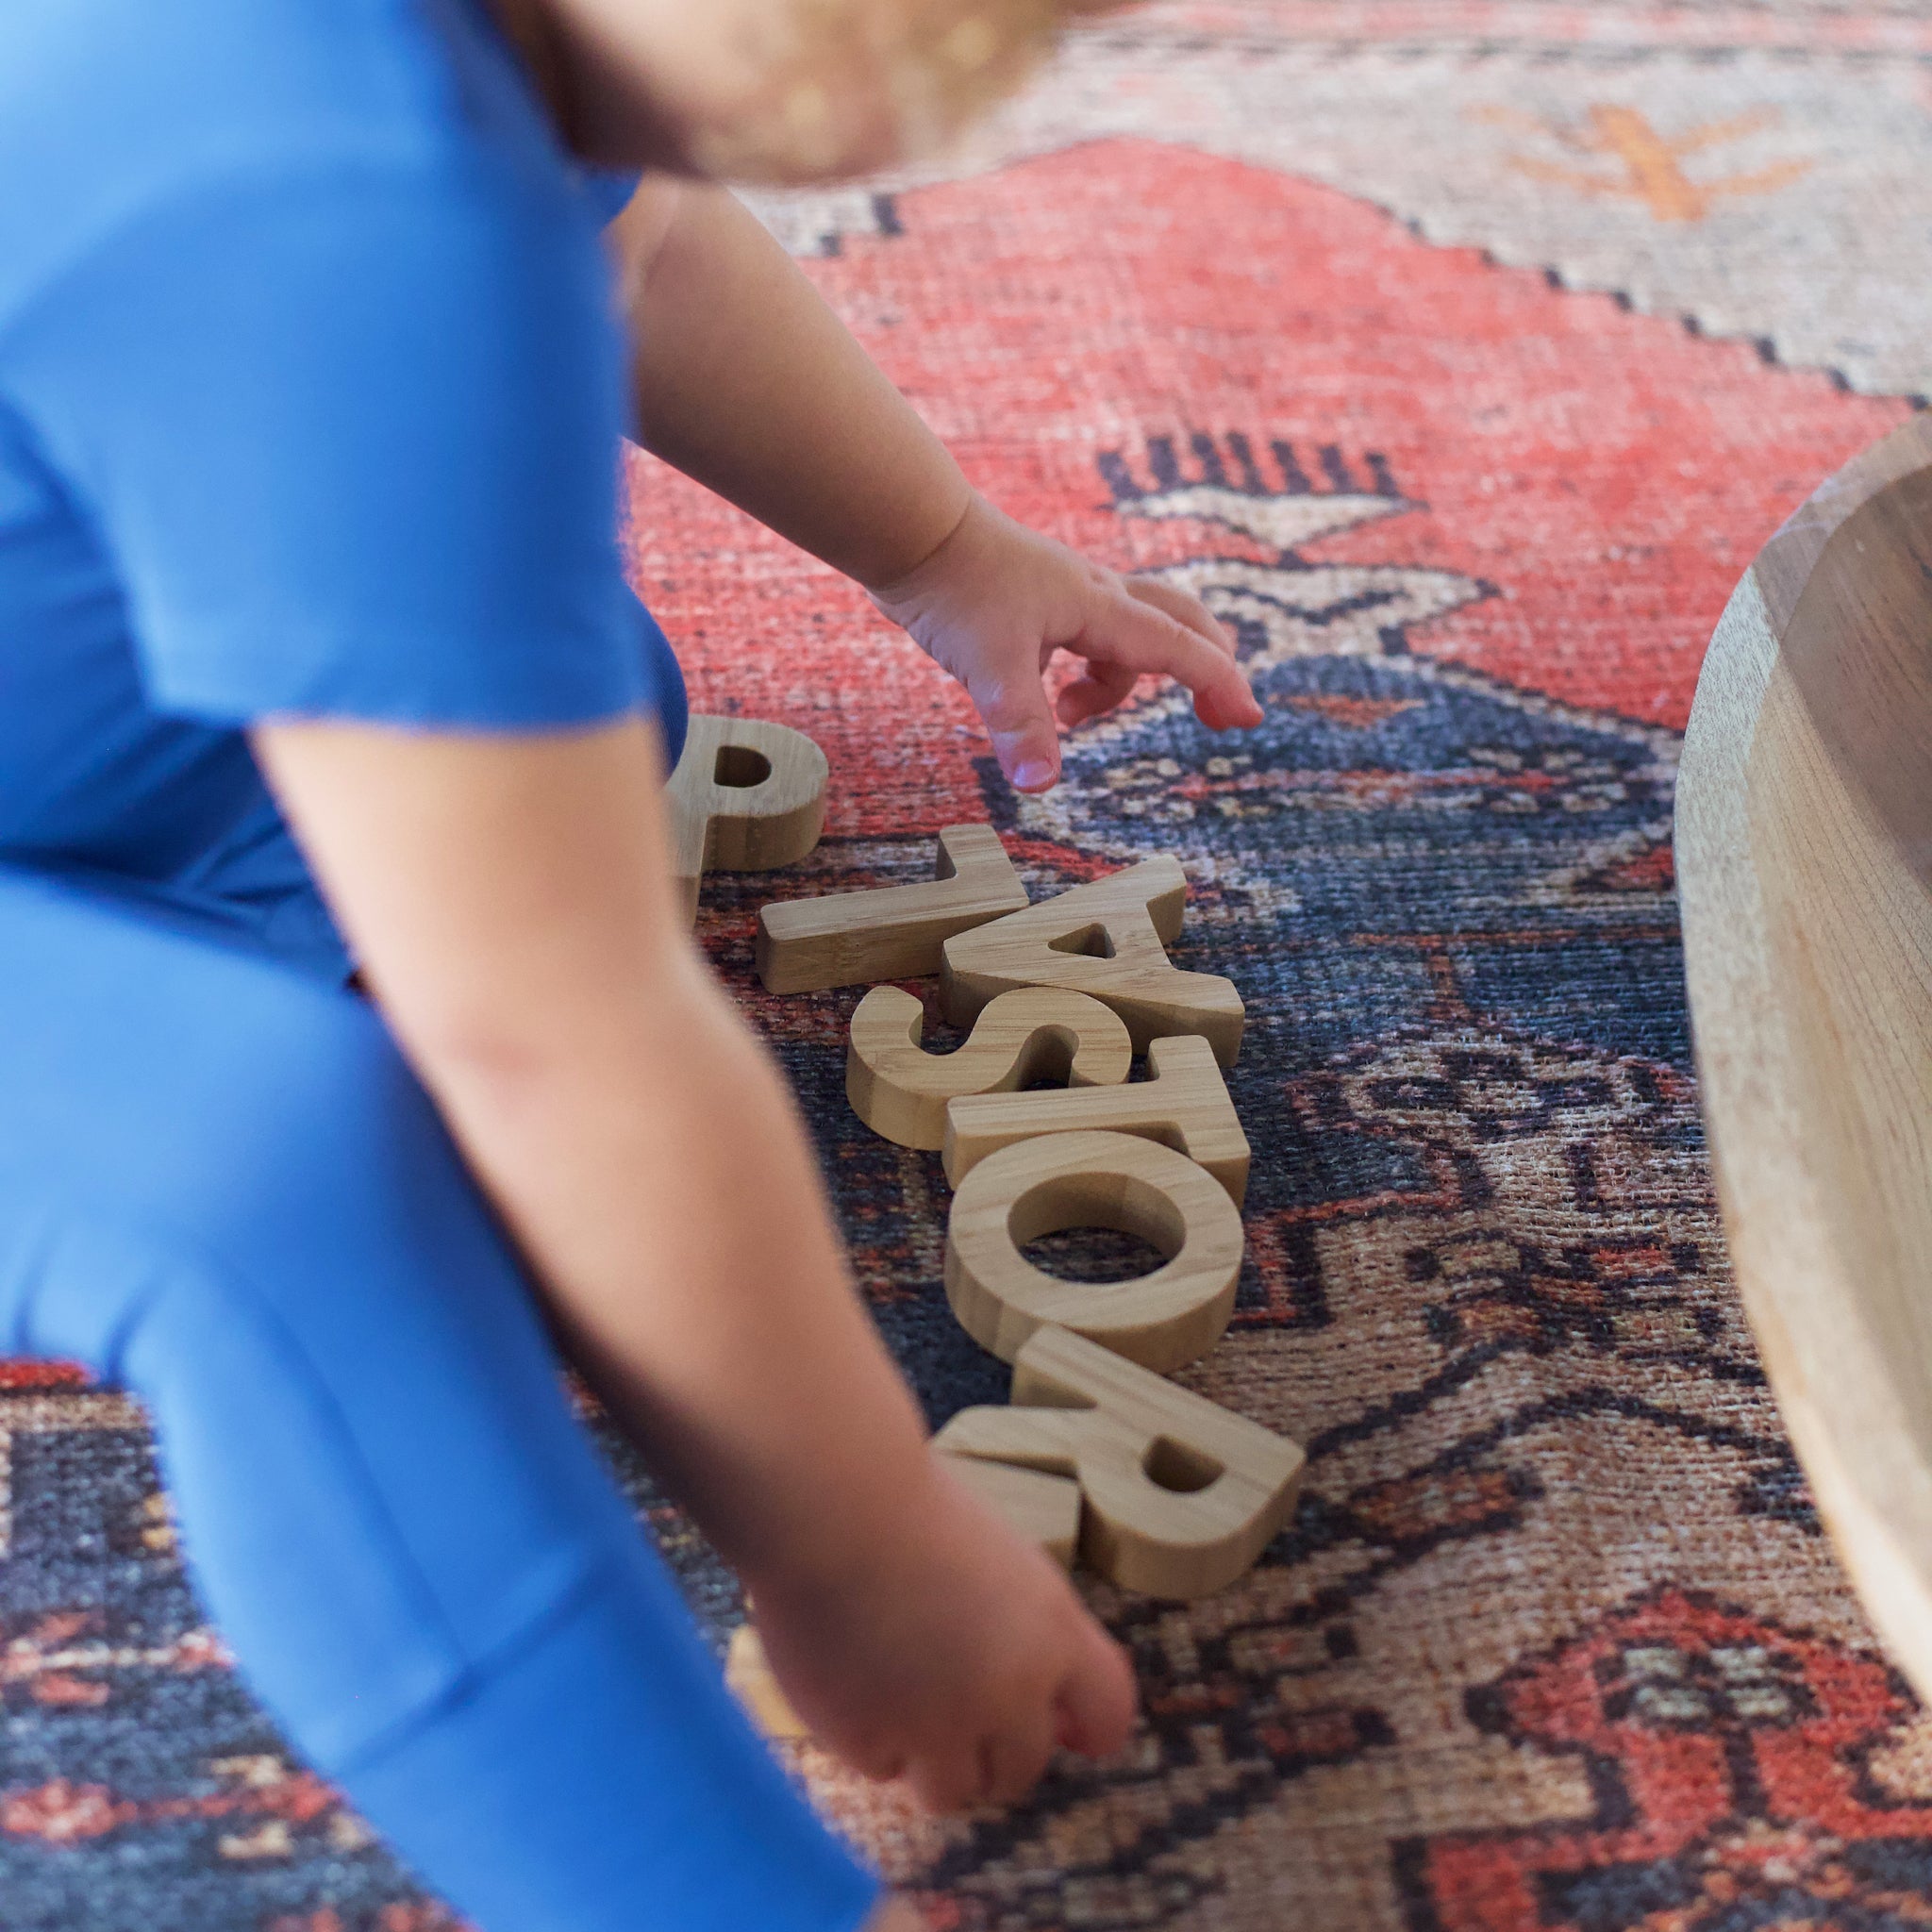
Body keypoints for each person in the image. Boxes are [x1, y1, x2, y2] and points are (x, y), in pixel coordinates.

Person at [0, 0, 1264, 1925]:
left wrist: (943, 551)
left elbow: (645, 239)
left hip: (69, 760)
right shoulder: (310, 175)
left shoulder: (502, 62)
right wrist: (868, 1557)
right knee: (281, 1184)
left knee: (570, 678)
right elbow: (553, 1042)